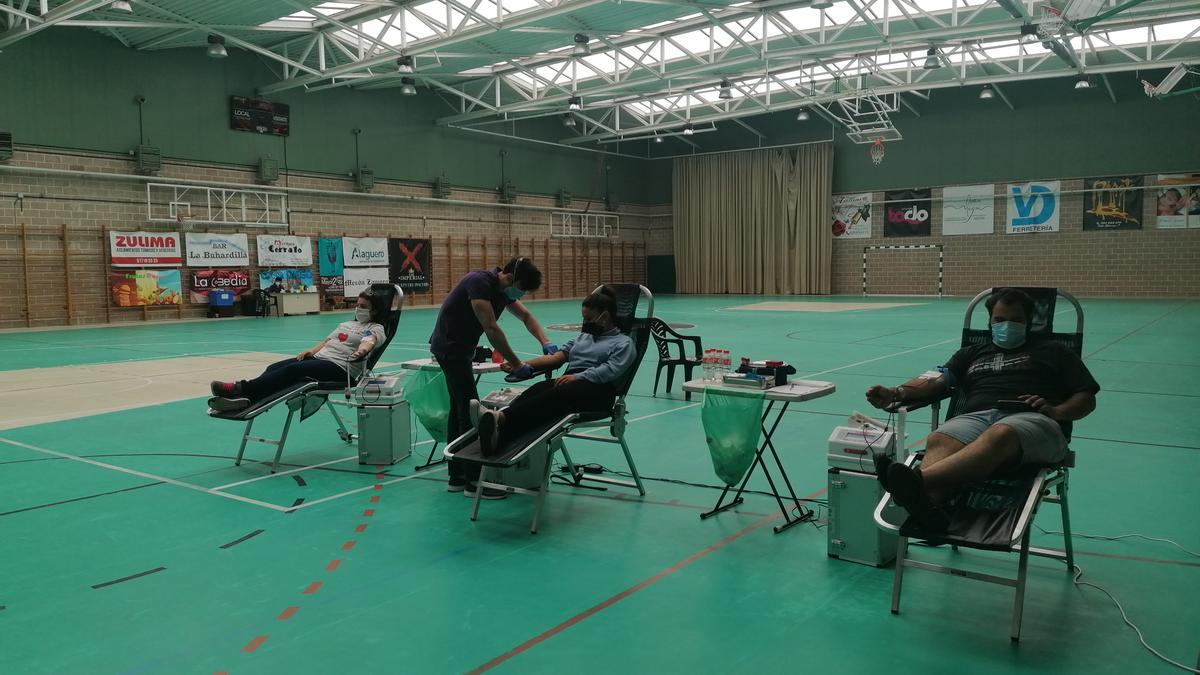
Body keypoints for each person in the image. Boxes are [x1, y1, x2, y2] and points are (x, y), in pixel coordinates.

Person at [865, 288, 1099, 531]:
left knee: (1000, 434)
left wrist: (1057, 411)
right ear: (989, 321)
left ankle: (914, 481)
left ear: (1029, 322)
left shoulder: (1056, 352)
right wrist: (897, 392)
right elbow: (934, 380)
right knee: (939, 438)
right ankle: (930, 515)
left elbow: (1086, 397)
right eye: (999, 320)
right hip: (976, 418)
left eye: (1016, 320)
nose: (1007, 325)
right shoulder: (971, 353)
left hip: (1033, 421)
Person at [431, 257, 555, 498]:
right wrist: (518, 364)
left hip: (461, 350)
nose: (521, 295)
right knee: (471, 412)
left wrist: (545, 341)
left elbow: (527, 318)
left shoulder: (503, 291)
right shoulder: (479, 283)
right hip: (450, 349)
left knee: (459, 408)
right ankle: (474, 482)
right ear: (510, 278)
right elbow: (491, 328)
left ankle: (456, 477)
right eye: (521, 289)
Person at [477, 287, 634, 456]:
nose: (584, 323)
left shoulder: (623, 344)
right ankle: (498, 437)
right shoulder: (583, 337)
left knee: (557, 394)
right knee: (538, 389)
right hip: (571, 383)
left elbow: (609, 371)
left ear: (606, 317)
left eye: (588, 319)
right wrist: (520, 364)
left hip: (598, 391)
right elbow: (557, 358)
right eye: (583, 318)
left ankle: (500, 418)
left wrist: (577, 377)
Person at [208, 289, 390, 412]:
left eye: (364, 306)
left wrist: (361, 351)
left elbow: (369, 341)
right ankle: (245, 400)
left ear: (374, 311)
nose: (359, 309)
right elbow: (327, 341)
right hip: (320, 359)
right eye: (358, 305)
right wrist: (311, 351)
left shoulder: (376, 327)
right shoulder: (347, 324)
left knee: (292, 371)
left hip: (342, 369)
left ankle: (238, 388)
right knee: (275, 367)